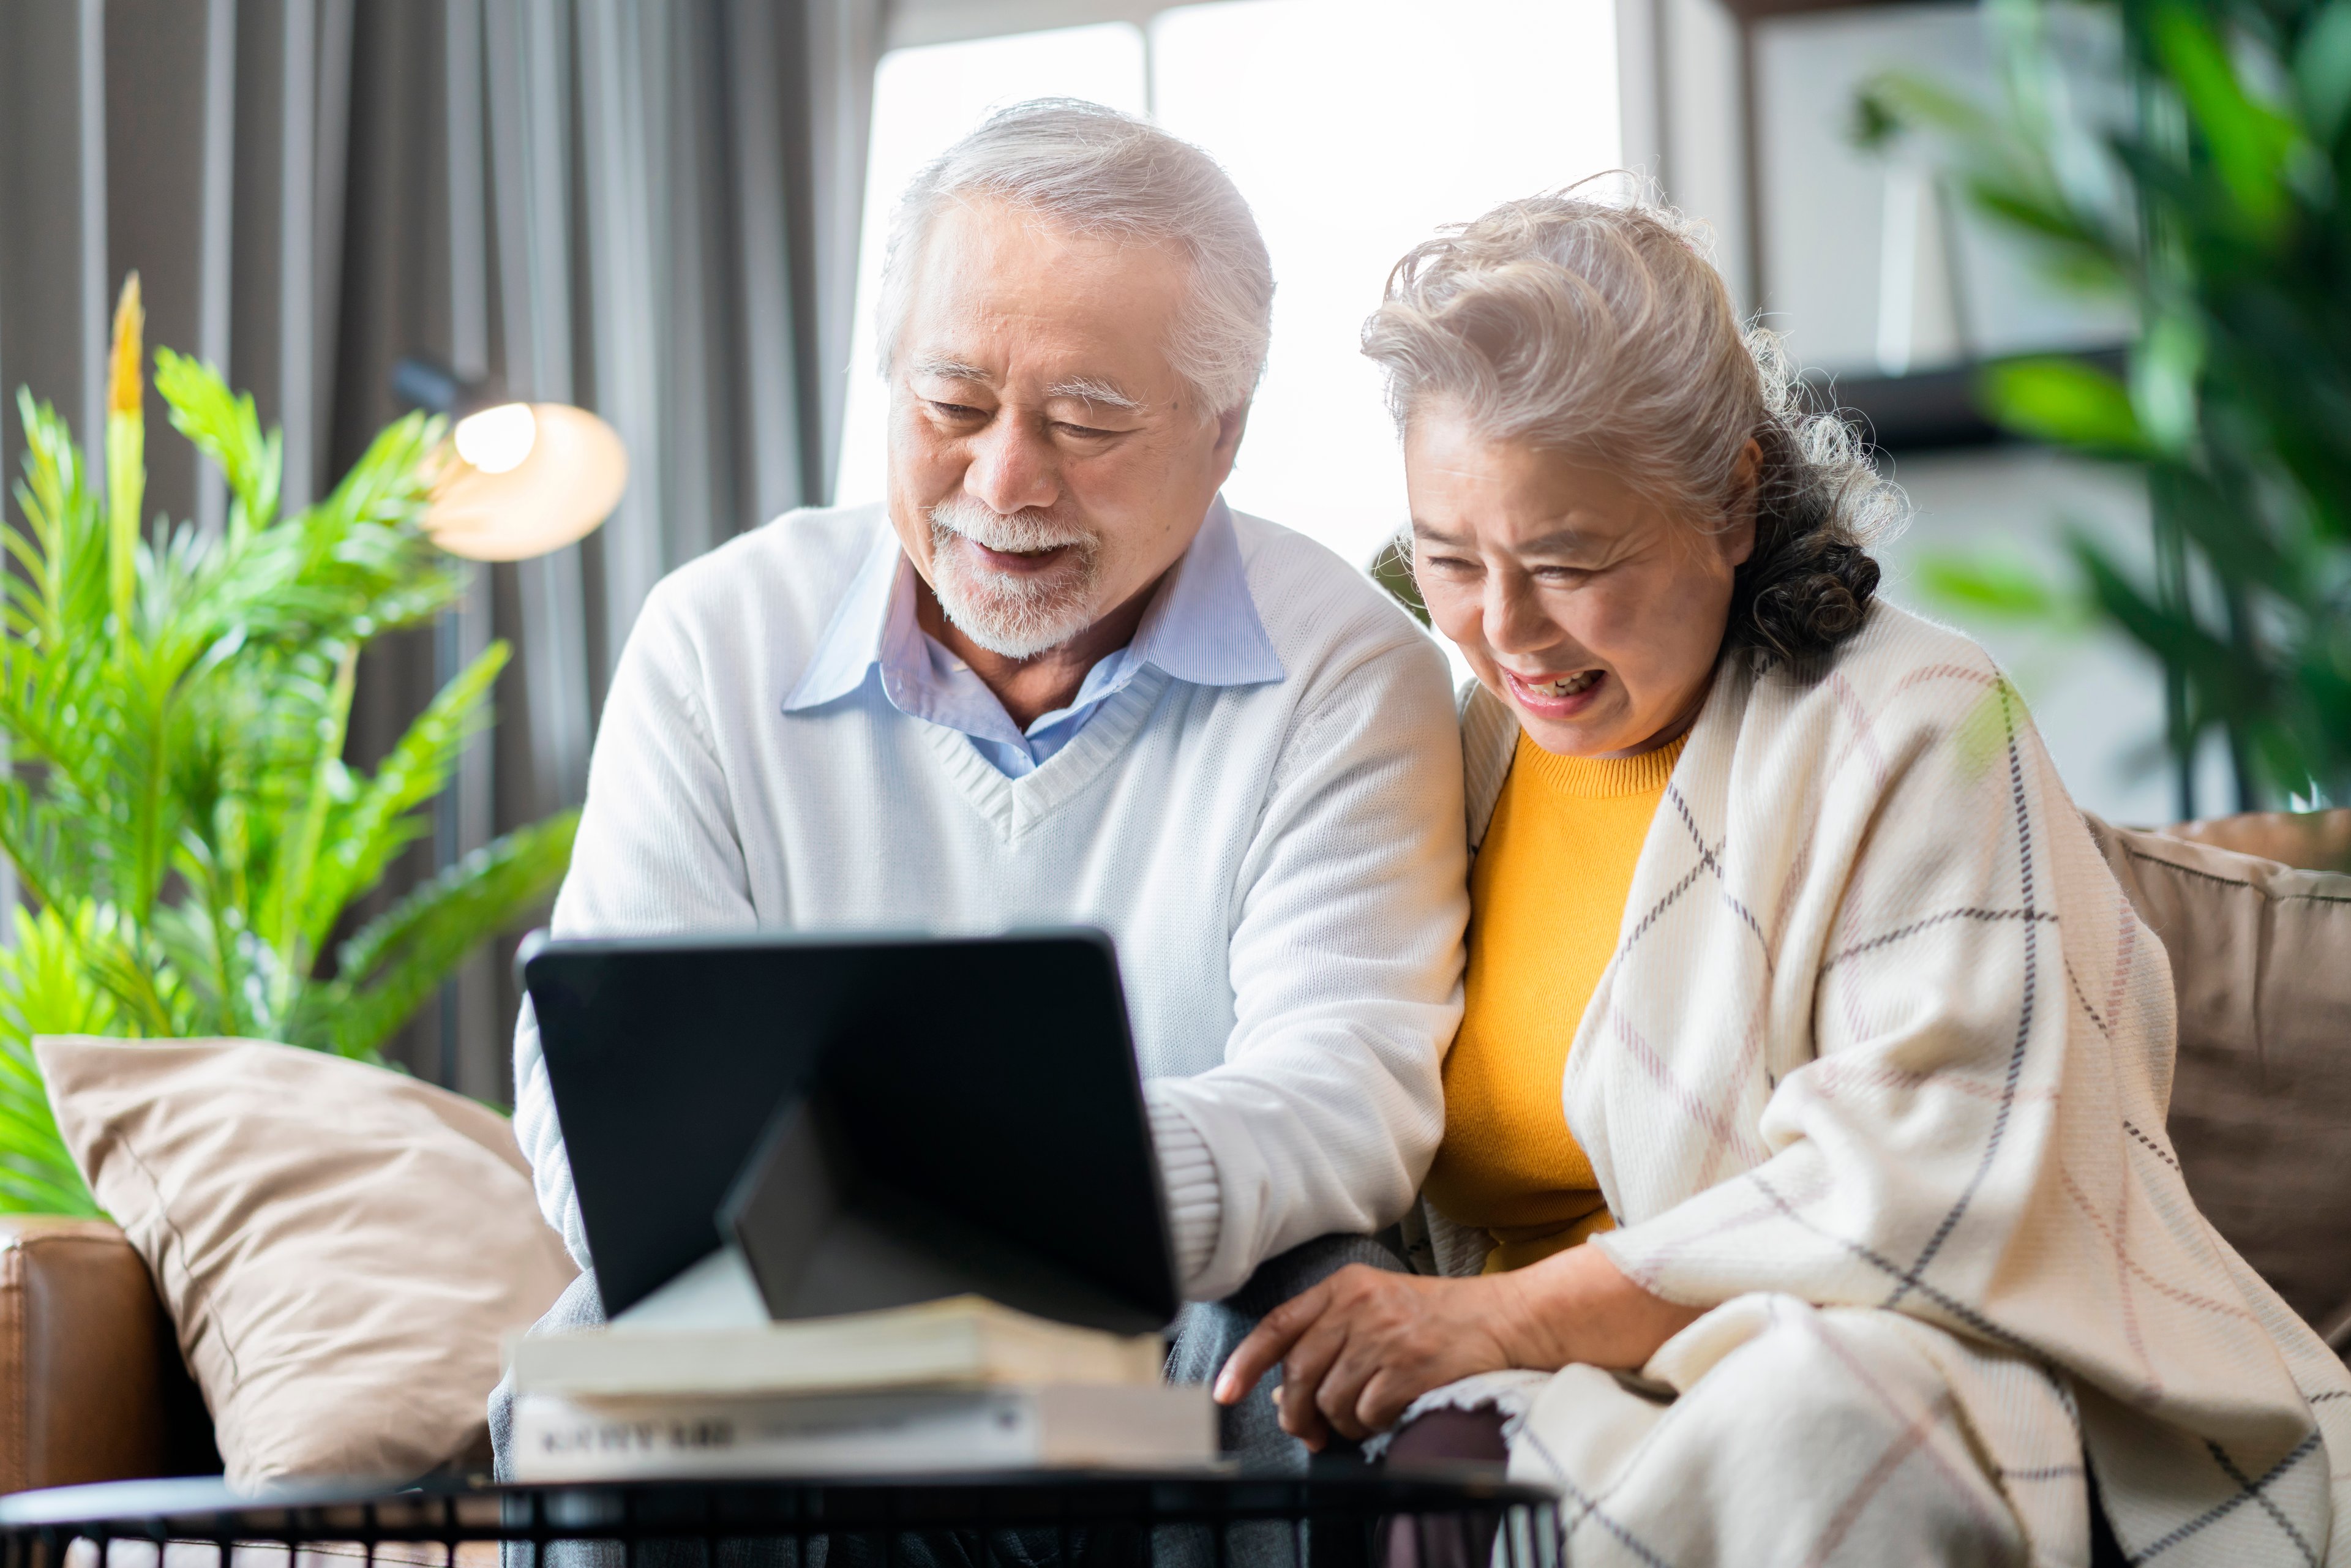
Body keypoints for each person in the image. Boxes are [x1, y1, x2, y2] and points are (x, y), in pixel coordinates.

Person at [1215, 190, 2351, 1565]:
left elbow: (1932, 1178)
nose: (1505, 632)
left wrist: (1505, 1319)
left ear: (1734, 501)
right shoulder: (1444, 756)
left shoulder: (1915, 718)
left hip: (1888, 1362)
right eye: (1449, 562)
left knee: (1822, 1415)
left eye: (1572, 562)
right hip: (1512, 1402)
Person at [494, 99, 1466, 1473]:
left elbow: (1340, 1100)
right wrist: (886, 1226)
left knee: (1322, 1317)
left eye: (1086, 420)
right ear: (887, 376)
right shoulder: (715, 638)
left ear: (1223, 432)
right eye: (951, 405)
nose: (1004, 479)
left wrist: (965, 1193)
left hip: (1188, 1293)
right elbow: (606, 1095)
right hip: (792, 1292)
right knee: (588, 1359)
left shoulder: (1352, 669)